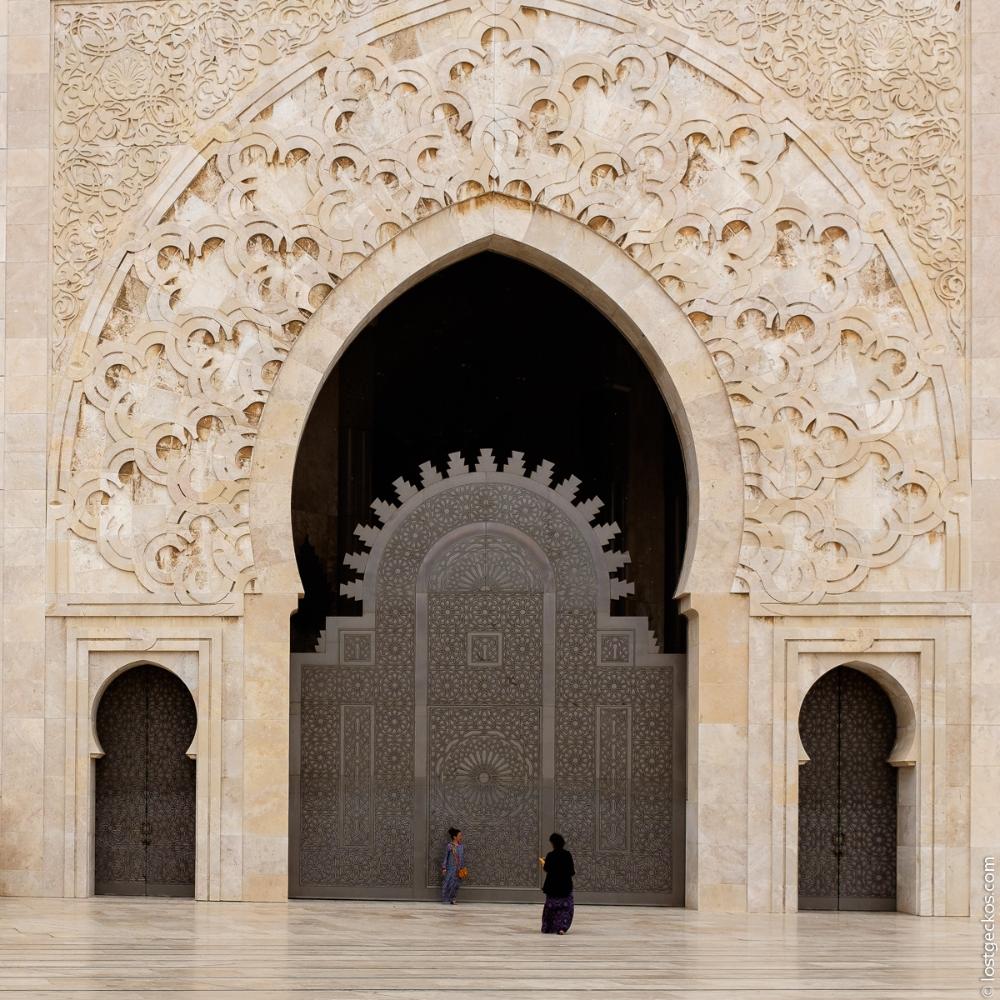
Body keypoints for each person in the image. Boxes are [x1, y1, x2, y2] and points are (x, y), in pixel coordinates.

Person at [538, 832, 575, 933]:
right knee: (565, 909)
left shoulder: (550, 855)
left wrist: (545, 863)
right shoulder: (567, 855)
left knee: (551, 909)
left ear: (553, 844)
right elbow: (572, 871)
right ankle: (562, 927)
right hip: (565, 886)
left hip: (552, 887)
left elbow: (546, 868)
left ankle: (548, 928)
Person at [441, 827, 465, 904]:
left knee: (456, 884)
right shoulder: (450, 846)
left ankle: (453, 899)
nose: (461, 837)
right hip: (450, 868)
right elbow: (446, 857)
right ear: (455, 837)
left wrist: (462, 867)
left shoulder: (461, 846)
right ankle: (446, 899)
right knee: (449, 883)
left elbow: (462, 857)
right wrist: (444, 868)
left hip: (458, 868)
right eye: (460, 835)